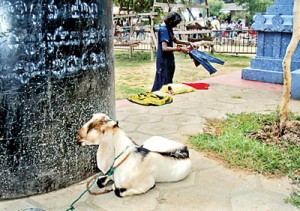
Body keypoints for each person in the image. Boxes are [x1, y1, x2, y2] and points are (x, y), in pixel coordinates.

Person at [151, 12, 192, 92]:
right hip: (164, 59)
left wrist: (187, 43)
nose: (175, 26)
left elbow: (175, 40)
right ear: (171, 22)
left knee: (169, 77)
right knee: (163, 79)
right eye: (175, 23)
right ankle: (160, 94)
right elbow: (164, 48)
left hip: (169, 58)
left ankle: (164, 93)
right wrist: (180, 49)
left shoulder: (168, 28)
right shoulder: (164, 29)